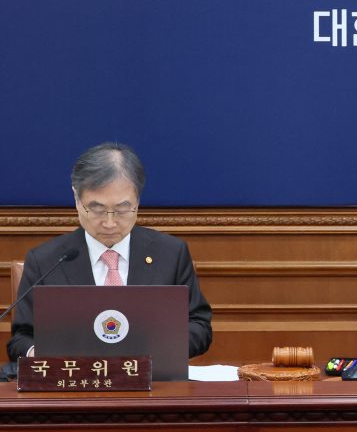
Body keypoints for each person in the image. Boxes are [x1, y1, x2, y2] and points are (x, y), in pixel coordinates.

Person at [6, 142, 212, 360]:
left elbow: (199, 326)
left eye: (122, 209)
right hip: (76, 379)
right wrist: (42, 355)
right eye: (97, 209)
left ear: (138, 200)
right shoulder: (45, 261)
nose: (110, 223)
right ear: (76, 198)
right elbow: (21, 338)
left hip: (152, 377)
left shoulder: (171, 254)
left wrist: (160, 348)